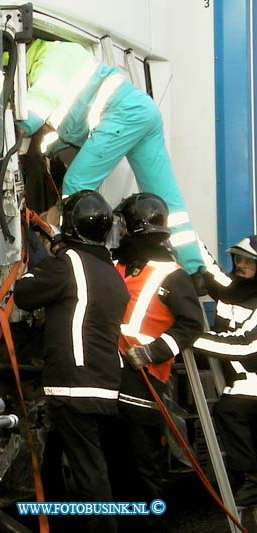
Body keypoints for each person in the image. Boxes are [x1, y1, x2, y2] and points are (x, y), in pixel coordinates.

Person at [16, 39, 204, 277]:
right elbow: (70, 120)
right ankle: (195, 270)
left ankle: (70, 263)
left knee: (76, 185)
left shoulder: (49, 58)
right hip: (140, 112)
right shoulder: (61, 53)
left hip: (123, 113)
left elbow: (39, 104)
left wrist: (16, 128)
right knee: (166, 198)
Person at [16, 190, 129, 533]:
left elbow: (25, 292)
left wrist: (42, 256)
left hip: (74, 384)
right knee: (60, 460)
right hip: (103, 382)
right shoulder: (109, 271)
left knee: (89, 471)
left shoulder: (69, 263)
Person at [112, 193, 204, 531]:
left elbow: (191, 325)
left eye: (123, 224)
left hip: (145, 379)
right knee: (118, 466)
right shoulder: (121, 265)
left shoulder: (171, 275)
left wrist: (152, 353)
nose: (119, 231)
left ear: (137, 226)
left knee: (142, 468)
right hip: (115, 376)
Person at [193, 235, 257, 506]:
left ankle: (253, 480)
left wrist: (192, 339)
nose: (240, 264)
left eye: (248, 261)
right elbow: (208, 266)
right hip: (242, 378)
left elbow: (244, 346)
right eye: (238, 259)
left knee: (229, 410)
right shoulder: (232, 288)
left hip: (251, 377)